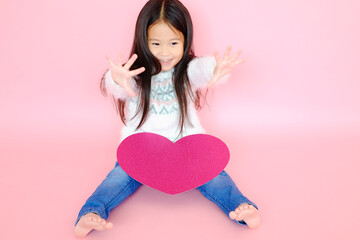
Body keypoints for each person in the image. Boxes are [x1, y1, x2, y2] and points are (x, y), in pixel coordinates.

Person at [74, 0, 260, 237]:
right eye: (155, 43)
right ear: (143, 41)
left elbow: (203, 69)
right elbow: (121, 84)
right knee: (117, 179)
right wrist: (116, 78)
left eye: (173, 43)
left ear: (185, 40)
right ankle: (91, 214)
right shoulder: (137, 73)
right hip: (140, 148)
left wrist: (216, 69)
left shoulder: (187, 70)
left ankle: (243, 208)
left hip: (187, 146)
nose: (164, 52)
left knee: (216, 176)